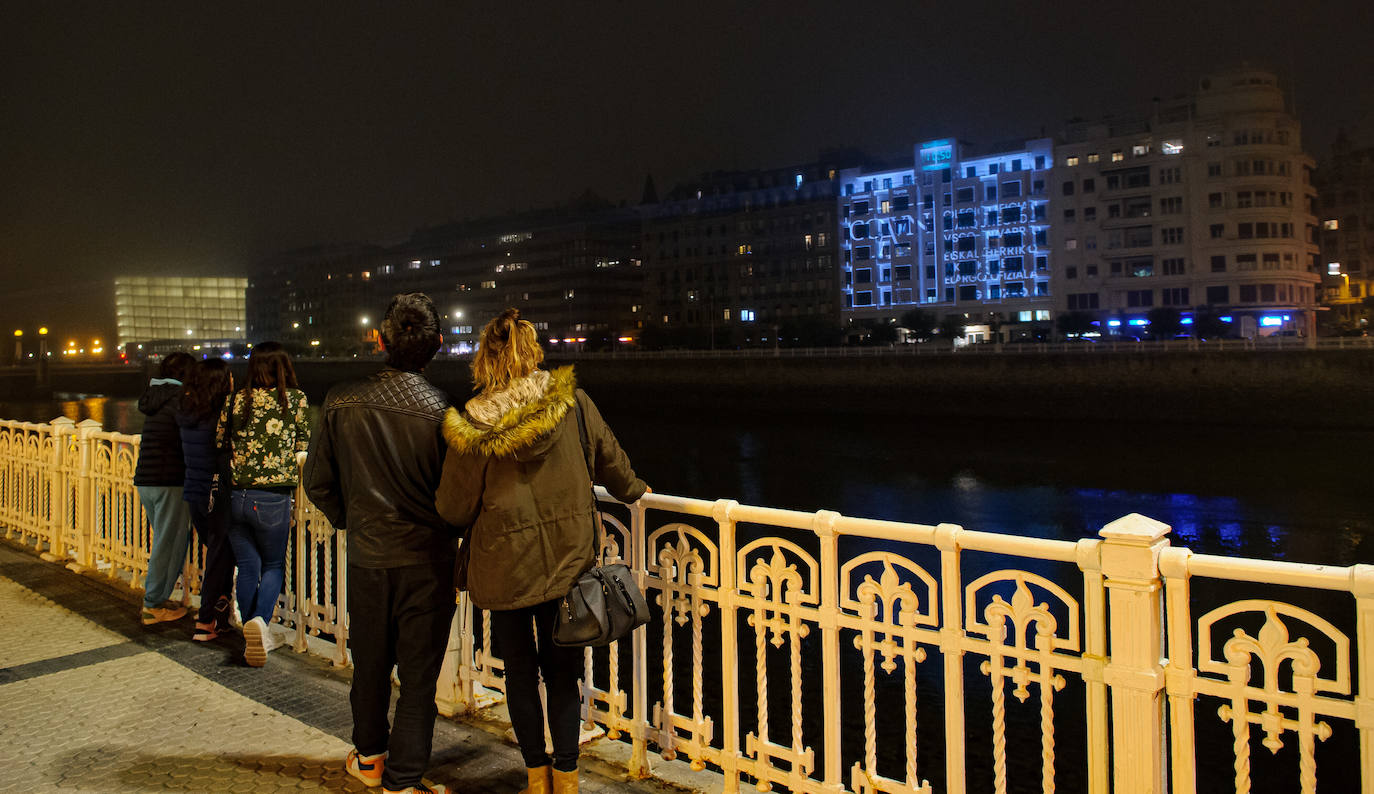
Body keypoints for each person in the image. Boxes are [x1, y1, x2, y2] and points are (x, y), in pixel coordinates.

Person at [434, 308, 648, 794]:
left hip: (504, 564)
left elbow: (453, 507)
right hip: (567, 558)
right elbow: (612, 463)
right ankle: (567, 775)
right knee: (562, 671)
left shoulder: (473, 425)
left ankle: (536, 775)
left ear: (484, 361)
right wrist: (634, 489)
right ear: (533, 355)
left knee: (519, 673)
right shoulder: (573, 403)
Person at [304, 293, 457, 794]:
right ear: (438, 343)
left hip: (369, 558)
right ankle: (404, 778)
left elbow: (317, 481)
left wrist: (354, 520)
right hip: (428, 562)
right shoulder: (444, 413)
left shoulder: (340, 400)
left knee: (369, 664)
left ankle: (369, 758)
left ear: (381, 340)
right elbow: (457, 498)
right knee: (418, 678)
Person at [217, 341, 310, 667]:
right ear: (283, 367)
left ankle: (250, 631)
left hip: (236, 496)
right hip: (272, 497)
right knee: (272, 565)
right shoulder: (294, 400)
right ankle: (260, 624)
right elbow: (303, 443)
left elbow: (220, 441)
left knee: (248, 566)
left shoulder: (234, 400)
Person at [134, 351, 196, 625]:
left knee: (163, 540)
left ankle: (158, 598)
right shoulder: (180, 399)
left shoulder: (155, 397)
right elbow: (189, 436)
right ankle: (153, 605)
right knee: (168, 544)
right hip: (170, 479)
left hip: (146, 479)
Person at [176, 358, 235, 641]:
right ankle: (206, 619)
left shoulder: (187, 412)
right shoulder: (220, 417)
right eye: (229, 377)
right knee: (219, 554)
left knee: (219, 552)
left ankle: (221, 614)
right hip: (216, 492)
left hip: (194, 492)